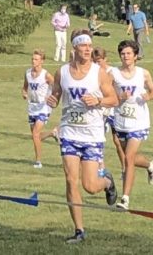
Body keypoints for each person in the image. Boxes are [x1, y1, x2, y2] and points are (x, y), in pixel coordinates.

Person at [46, 32, 118, 244]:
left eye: (90, 46)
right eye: (83, 46)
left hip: (92, 134)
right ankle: (79, 230)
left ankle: (106, 182)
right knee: (70, 180)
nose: (88, 49)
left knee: (90, 185)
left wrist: (97, 101)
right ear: (74, 49)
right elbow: (56, 95)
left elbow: (113, 99)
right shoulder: (62, 72)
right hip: (69, 132)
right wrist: (51, 100)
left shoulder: (99, 73)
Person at [111, 40, 153, 211]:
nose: (126, 57)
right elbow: (107, 93)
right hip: (121, 120)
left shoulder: (143, 73)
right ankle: (150, 165)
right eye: (123, 54)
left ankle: (125, 199)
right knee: (127, 157)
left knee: (129, 158)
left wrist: (149, 96)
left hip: (138, 121)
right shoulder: (113, 73)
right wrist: (119, 96)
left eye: (129, 53)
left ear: (135, 55)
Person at [91, 47, 124, 173]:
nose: (97, 64)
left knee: (118, 141)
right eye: (95, 61)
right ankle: (101, 167)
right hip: (101, 110)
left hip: (114, 111)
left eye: (99, 61)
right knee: (98, 138)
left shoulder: (112, 72)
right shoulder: (94, 73)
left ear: (105, 59)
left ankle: (124, 168)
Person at [22, 49, 56, 168]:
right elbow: (25, 87)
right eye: (32, 59)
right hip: (32, 107)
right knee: (35, 136)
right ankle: (52, 133)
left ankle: (38, 161)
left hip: (44, 107)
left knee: (36, 133)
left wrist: (51, 97)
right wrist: (24, 93)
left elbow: (57, 86)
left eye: (36, 59)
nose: (33, 61)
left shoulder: (46, 75)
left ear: (42, 61)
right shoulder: (27, 73)